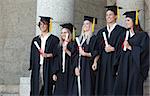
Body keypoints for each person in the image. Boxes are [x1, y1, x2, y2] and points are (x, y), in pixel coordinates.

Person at [113, 10, 149, 95]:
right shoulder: (124, 35)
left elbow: (145, 52)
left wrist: (130, 47)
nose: (126, 22)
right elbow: (118, 51)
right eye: (126, 20)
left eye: (128, 20)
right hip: (124, 67)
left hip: (135, 68)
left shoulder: (143, 35)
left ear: (134, 21)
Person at [94, 5, 126, 95]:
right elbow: (97, 48)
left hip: (114, 62)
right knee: (102, 85)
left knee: (113, 86)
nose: (108, 17)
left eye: (110, 14)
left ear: (116, 16)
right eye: (107, 15)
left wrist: (114, 48)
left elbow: (123, 48)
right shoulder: (101, 32)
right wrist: (96, 61)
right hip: (103, 62)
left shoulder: (122, 31)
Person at [29, 16, 59, 96]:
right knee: (36, 88)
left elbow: (57, 54)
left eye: (44, 24)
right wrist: (32, 67)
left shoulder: (54, 39)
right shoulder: (35, 40)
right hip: (37, 67)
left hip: (48, 67)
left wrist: (48, 55)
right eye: (41, 24)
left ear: (48, 25)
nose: (42, 26)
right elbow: (33, 55)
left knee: (46, 88)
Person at [70, 16, 98, 96]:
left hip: (88, 68)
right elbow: (74, 54)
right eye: (84, 24)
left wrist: (85, 54)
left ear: (91, 26)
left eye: (87, 24)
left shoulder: (94, 39)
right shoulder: (78, 39)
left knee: (87, 88)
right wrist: (75, 67)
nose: (85, 26)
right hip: (78, 67)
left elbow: (97, 52)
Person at [53, 23, 76, 95]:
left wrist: (66, 50)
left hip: (70, 72)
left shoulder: (73, 44)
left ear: (69, 33)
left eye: (65, 32)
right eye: (62, 32)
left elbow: (75, 57)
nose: (63, 34)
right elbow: (56, 60)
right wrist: (54, 73)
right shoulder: (59, 45)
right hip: (60, 73)